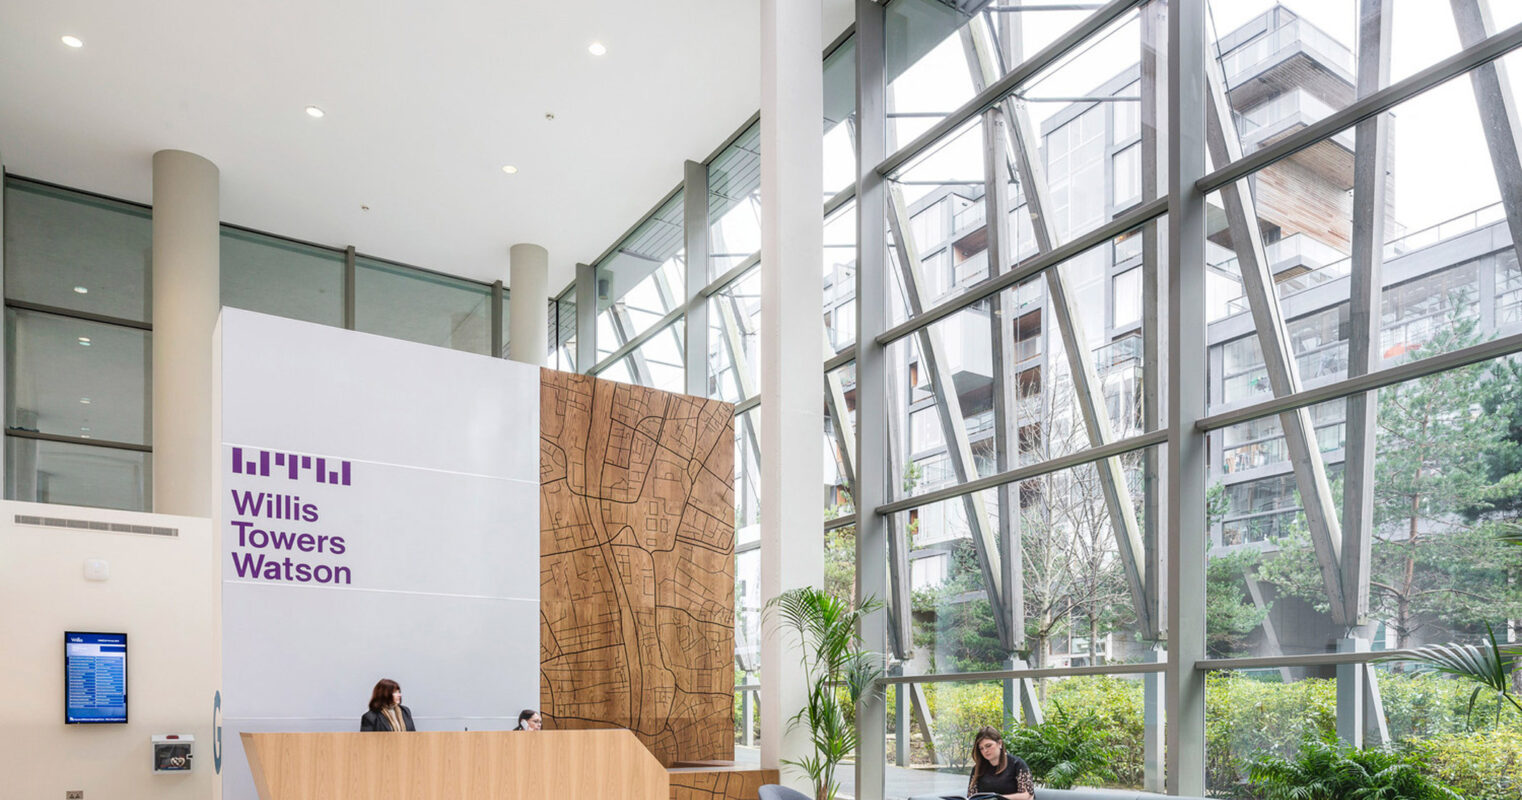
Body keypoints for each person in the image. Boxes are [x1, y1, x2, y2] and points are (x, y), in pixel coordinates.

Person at [967, 726, 1034, 800]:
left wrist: (997, 798)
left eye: (988, 746)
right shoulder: (978, 769)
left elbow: (1028, 795)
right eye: (981, 748)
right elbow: (971, 796)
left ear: (1000, 743)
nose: (985, 751)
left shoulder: (1017, 764)